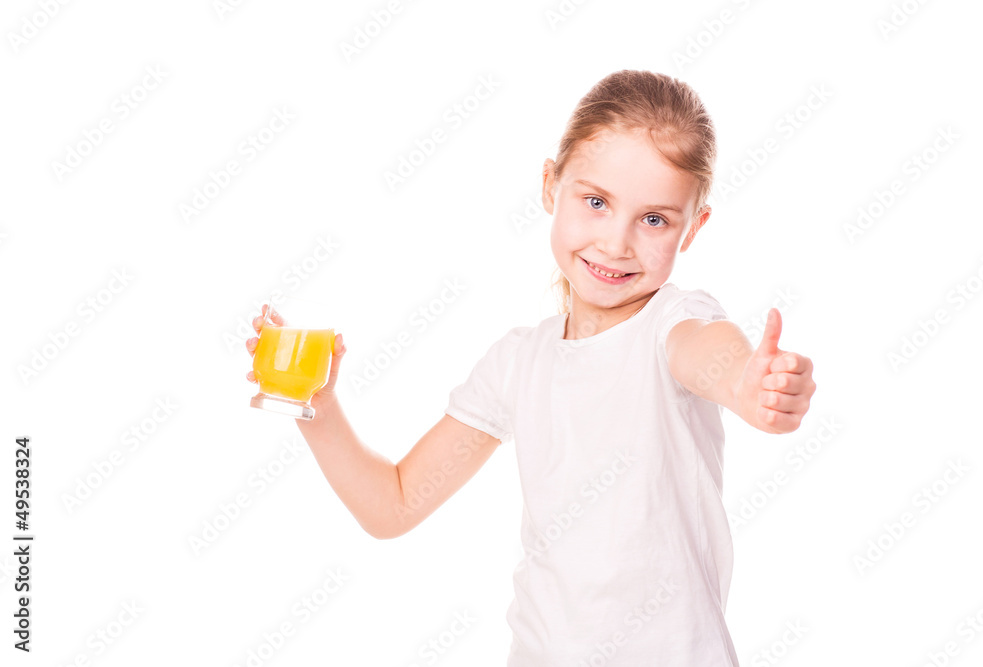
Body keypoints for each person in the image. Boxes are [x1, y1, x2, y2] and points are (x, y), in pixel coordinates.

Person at [245, 69, 817, 665]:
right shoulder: (519, 363)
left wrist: (750, 385)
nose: (617, 242)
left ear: (692, 227)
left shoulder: (672, 322)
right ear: (551, 185)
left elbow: (707, 354)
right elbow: (392, 506)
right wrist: (318, 405)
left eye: (654, 220)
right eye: (595, 202)